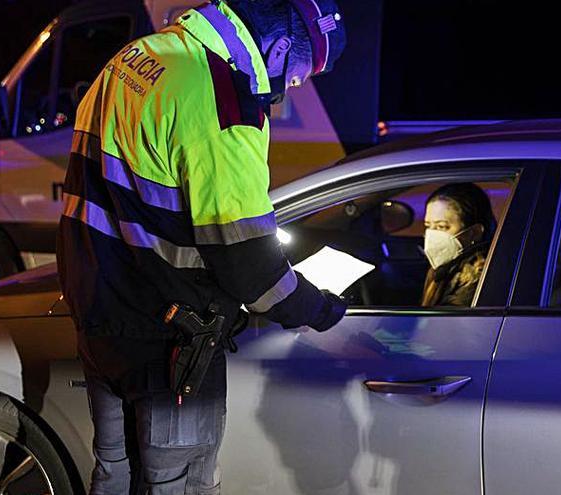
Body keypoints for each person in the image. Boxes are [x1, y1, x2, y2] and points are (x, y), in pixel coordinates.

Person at [55, 1, 347, 493]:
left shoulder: (139, 56)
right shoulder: (225, 107)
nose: (296, 85)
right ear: (277, 50)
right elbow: (247, 264)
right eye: (302, 73)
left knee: (112, 475)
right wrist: (316, 308)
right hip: (170, 344)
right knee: (179, 483)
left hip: (97, 311)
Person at [421, 183, 496, 307]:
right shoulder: (447, 267)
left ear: (474, 232)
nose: (431, 235)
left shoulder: (476, 279)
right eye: (428, 226)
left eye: (442, 226)